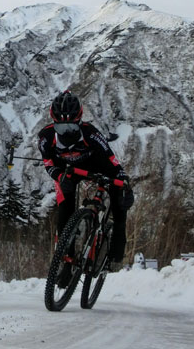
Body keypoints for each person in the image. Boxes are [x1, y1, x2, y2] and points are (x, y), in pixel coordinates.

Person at [37, 91, 134, 280]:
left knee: (119, 203)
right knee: (64, 211)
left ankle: (116, 248)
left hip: (97, 166)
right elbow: (48, 162)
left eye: (71, 127)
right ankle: (66, 261)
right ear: (53, 122)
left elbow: (113, 163)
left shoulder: (92, 134)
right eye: (61, 127)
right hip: (67, 171)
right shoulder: (46, 137)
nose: (66, 132)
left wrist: (125, 184)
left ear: (80, 121)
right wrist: (58, 175)